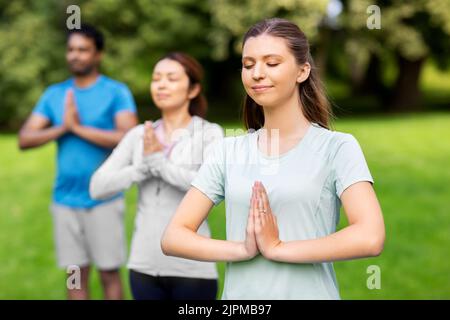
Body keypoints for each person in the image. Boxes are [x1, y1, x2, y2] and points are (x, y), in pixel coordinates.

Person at [161, 18, 385, 300]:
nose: (257, 73)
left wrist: (278, 248)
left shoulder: (338, 147)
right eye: (248, 64)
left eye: (272, 62)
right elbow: (174, 237)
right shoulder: (228, 151)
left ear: (302, 71)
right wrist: (242, 249)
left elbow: (370, 236)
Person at [18, 24, 138, 300]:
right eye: (71, 49)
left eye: (83, 50)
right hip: (65, 201)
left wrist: (78, 128)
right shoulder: (54, 94)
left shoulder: (115, 92)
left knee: (109, 273)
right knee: (75, 277)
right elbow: (25, 138)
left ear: (98, 55)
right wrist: (63, 127)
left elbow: (128, 137)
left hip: (104, 200)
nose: (75, 55)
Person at [90, 52, 223, 300]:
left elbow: (210, 188)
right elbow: (98, 187)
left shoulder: (209, 134)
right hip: (143, 267)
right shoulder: (139, 135)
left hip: (193, 269)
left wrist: (158, 163)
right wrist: (141, 169)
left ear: (193, 90)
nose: (161, 85)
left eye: (171, 78)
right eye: (156, 78)